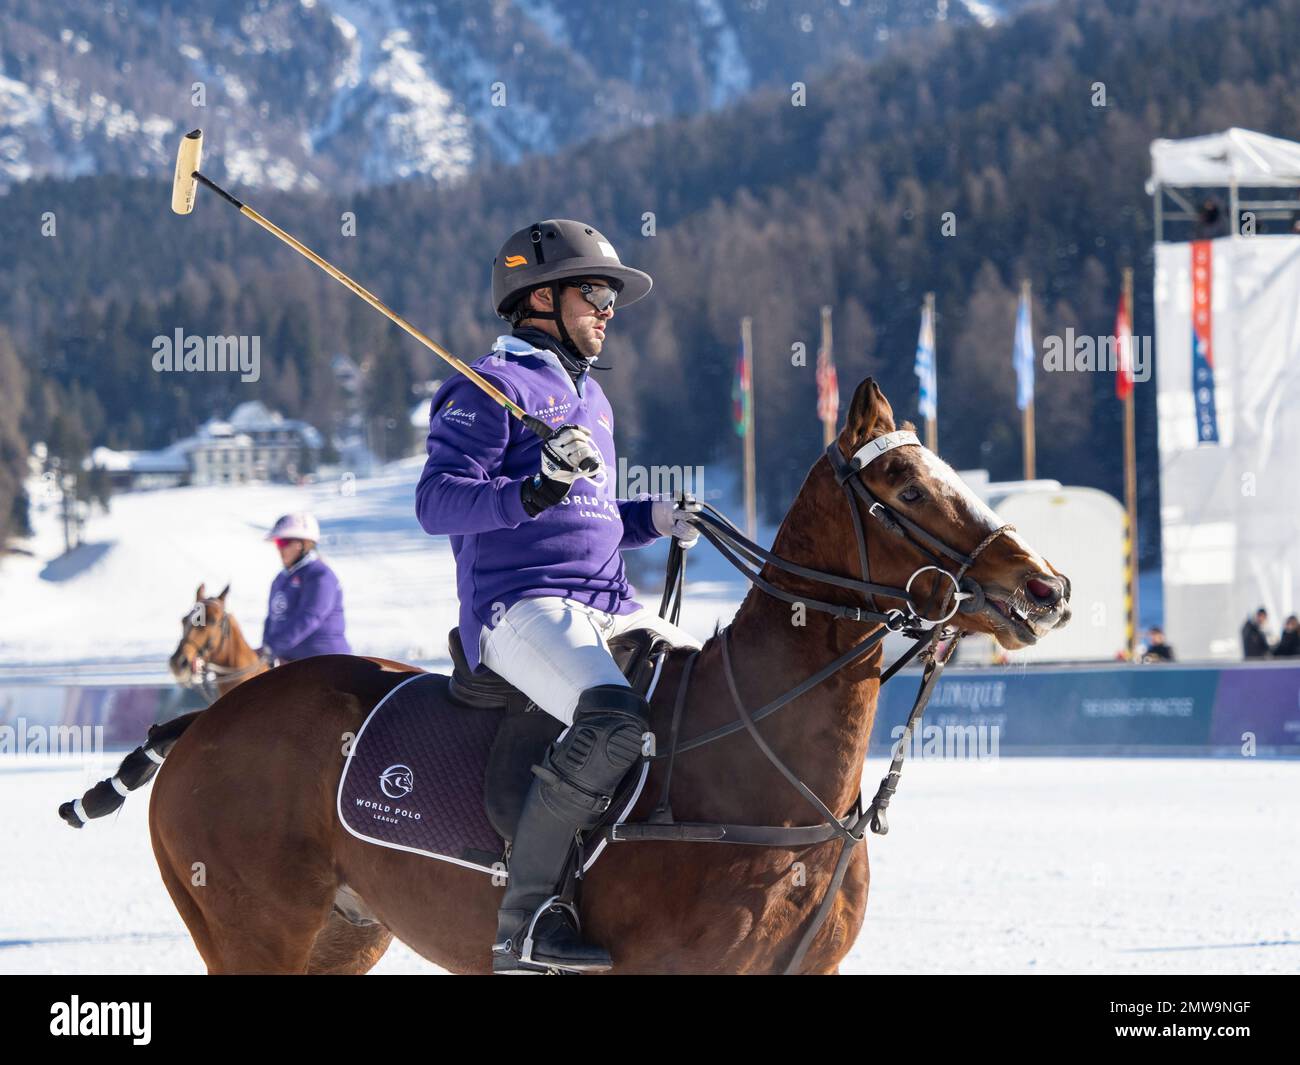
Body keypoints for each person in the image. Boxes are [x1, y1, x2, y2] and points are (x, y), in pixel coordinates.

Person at [415, 219, 702, 974]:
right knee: (612, 724)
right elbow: (438, 502)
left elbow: (593, 516)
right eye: (596, 292)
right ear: (541, 297)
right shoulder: (490, 387)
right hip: (520, 607)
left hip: (607, 600)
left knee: (699, 695)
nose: (609, 309)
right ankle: (528, 922)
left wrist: (653, 518)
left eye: (611, 297)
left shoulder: (592, 400)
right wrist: (533, 488)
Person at [259, 512, 351, 663]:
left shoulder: (320, 575)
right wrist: (266, 648)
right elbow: (272, 618)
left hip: (327, 664)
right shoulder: (280, 578)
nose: (279, 548)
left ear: (303, 544)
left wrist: (272, 648)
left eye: (284, 543)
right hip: (291, 664)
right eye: (277, 543)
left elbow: (309, 617)